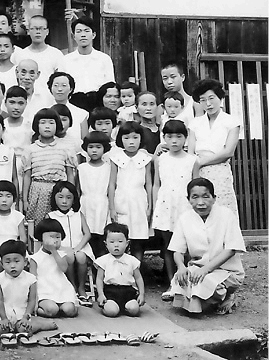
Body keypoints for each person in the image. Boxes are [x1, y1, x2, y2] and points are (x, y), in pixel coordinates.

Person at [168, 178, 245, 315]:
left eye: (206, 196)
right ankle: (203, 298)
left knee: (199, 295)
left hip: (227, 272)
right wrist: (180, 266)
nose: (201, 202)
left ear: (214, 198)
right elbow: (177, 250)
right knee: (182, 280)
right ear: (189, 199)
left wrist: (205, 270)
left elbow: (231, 249)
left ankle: (226, 295)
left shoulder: (226, 215)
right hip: (197, 270)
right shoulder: (184, 218)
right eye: (195, 197)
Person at [0, 240, 57, 335]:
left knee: (23, 329)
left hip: (23, 315)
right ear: (2, 264)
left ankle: (41, 325)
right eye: (8, 262)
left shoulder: (31, 279)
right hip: (4, 314)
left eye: (17, 261)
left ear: (25, 262)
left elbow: (31, 301)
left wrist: (26, 317)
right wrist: (4, 319)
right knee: (2, 330)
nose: (13, 266)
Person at [153, 120, 200, 298]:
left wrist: (195, 207)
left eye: (179, 137)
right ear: (163, 138)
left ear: (185, 138)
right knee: (169, 245)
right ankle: (172, 283)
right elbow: (156, 184)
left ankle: (190, 282)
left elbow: (196, 185)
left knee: (188, 245)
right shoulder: (160, 159)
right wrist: (153, 205)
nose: (174, 141)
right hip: (166, 204)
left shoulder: (192, 160)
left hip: (185, 205)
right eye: (169, 137)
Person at [188, 79, 241, 215]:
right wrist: (195, 168)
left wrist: (201, 162)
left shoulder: (231, 122)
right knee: (200, 209)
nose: (208, 103)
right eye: (203, 100)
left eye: (211, 98)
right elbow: (190, 152)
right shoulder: (195, 124)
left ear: (220, 98)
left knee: (223, 210)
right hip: (198, 171)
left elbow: (228, 152)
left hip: (220, 170)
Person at [108, 122, 152, 262]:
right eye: (126, 138)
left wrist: (150, 205)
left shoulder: (145, 158)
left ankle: (136, 269)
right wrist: (112, 208)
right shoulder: (116, 158)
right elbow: (112, 183)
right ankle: (121, 268)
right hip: (121, 199)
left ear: (141, 139)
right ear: (120, 139)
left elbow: (149, 183)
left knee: (138, 238)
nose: (131, 142)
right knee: (121, 236)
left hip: (139, 201)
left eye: (135, 137)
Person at [22, 108, 75, 225]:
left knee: (59, 225)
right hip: (37, 191)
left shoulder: (65, 148)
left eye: (51, 123)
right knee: (38, 226)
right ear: (37, 125)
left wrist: (71, 195)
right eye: (43, 122)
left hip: (59, 192)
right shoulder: (30, 150)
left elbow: (70, 174)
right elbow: (27, 176)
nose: (47, 126)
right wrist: (25, 200)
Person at [47, 181, 93, 303]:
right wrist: (63, 248)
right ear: (54, 198)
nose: (64, 201)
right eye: (60, 197)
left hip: (80, 247)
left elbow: (87, 234)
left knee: (81, 256)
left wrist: (78, 247)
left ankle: (82, 287)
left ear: (74, 199)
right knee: (69, 256)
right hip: (61, 250)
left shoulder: (78, 215)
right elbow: (49, 237)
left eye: (68, 198)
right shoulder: (51, 216)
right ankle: (72, 286)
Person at [60, 17, 115, 111]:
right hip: (74, 104)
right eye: (79, 31)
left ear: (93, 35)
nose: (83, 35)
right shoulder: (65, 60)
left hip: (98, 104)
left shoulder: (104, 59)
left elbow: (110, 86)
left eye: (86, 31)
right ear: (74, 36)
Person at [29, 218, 78, 318]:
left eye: (57, 237)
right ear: (41, 238)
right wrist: (34, 299)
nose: (55, 240)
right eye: (51, 237)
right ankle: (40, 310)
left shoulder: (61, 254)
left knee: (69, 310)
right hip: (45, 291)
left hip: (62, 289)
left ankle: (72, 306)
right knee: (52, 310)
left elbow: (64, 268)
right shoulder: (35, 258)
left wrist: (54, 251)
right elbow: (32, 280)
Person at [95, 222, 145, 317]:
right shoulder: (103, 260)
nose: (116, 245)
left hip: (128, 291)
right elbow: (99, 279)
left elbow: (138, 278)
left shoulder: (132, 260)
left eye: (120, 241)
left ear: (127, 243)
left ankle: (125, 308)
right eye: (112, 242)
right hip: (110, 291)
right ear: (106, 244)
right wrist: (101, 294)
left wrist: (141, 294)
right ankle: (110, 307)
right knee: (112, 311)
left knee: (134, 309)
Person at [76, 132, 112, 259]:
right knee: (87, 234)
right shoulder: (81, 168)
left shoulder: (109, 168)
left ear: (105, 149)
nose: (94, 150)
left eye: (98, 147)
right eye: (91, 147)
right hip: (86, 203)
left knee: (101, 237)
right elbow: (78, 190)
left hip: (102, 204)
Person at [21, 15, 64, 95]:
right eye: (34, 28)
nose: (38, 32)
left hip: (50, 99)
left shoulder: (56, 54)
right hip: (27, 99)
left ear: (47, 31)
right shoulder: (21, 54)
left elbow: (61, 80)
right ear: (28, 31)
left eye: (41, 28)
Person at [0, 181, 26, 252]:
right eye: (0, 196)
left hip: (15, 249)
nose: (4, 200)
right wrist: (0, 250)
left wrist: (17, 250)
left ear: (14, 199)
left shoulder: (18, 216)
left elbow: (23, 238)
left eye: (8, 196)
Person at [47, 72, 88, 140]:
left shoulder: (81, 113)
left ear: (71, 89)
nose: (59, 89)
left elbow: (85, 141)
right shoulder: (44, 111)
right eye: (56, 85)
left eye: (64, 85)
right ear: (51, 88)